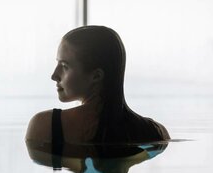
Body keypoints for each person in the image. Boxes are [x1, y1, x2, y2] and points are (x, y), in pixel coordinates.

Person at [25, 25, 170, 144]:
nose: (54, 75)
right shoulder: (155, 133)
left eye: (64, 66)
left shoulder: (44, 127)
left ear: (96, 76)